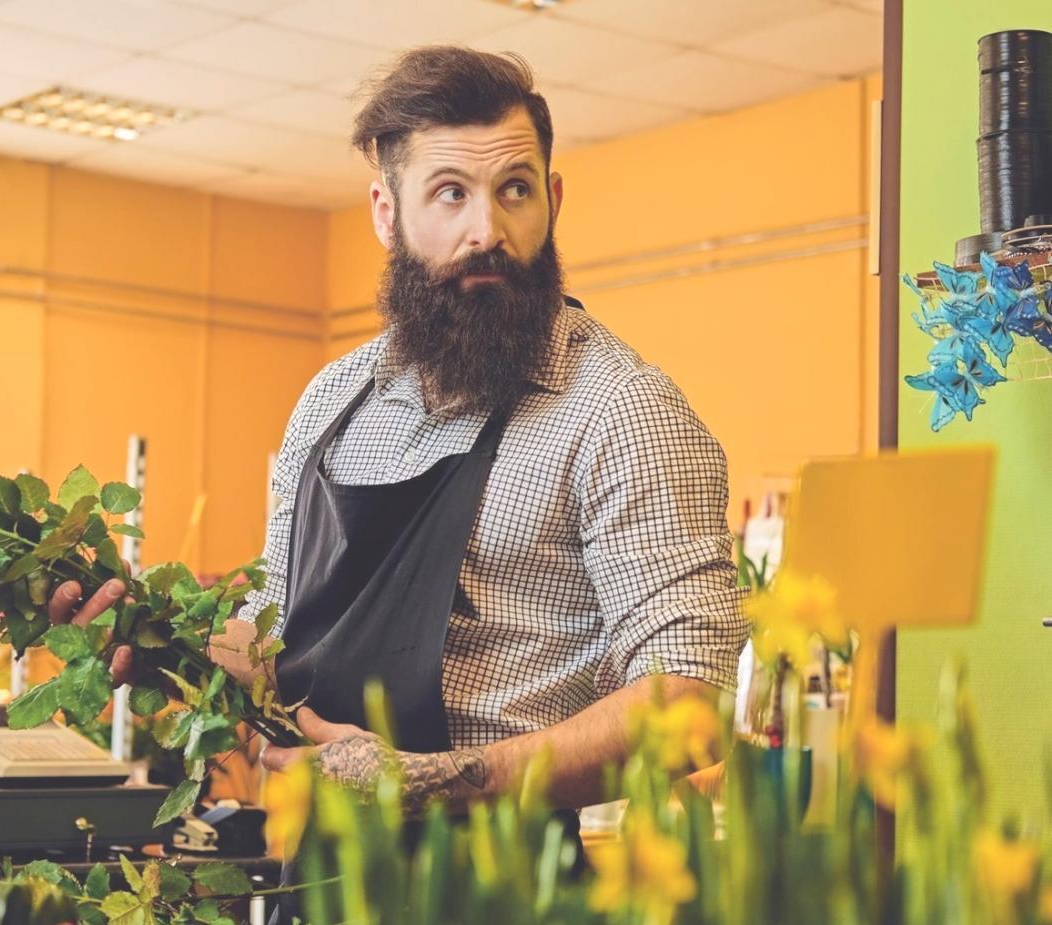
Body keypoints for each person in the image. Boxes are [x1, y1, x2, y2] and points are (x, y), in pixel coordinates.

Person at [50, 43, 746, 828]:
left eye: (514, 190)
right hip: (318, 878)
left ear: (551, 199)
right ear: (387, 212)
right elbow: (275, 627)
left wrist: (435, 779)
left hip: (508, 888)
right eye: (450, 193)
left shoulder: (621, 410)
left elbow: (692, 700)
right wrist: (159, 642)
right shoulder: (332, 400)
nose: (488, 229)